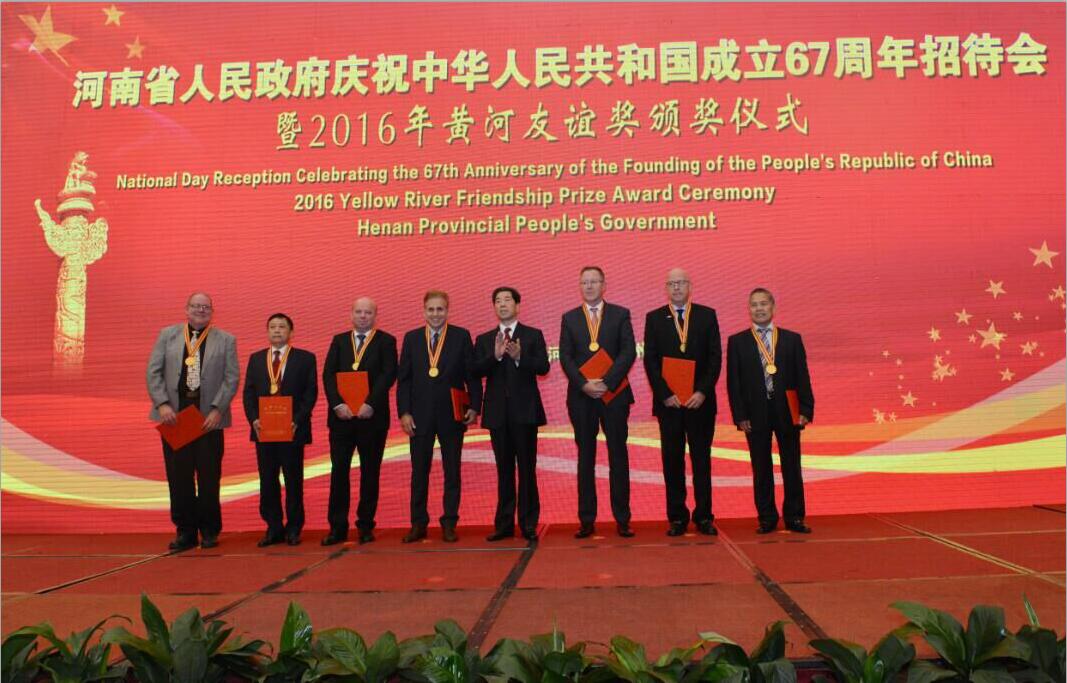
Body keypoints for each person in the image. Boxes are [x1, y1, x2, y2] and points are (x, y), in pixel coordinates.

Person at [146, 292, 238, 550]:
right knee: (179, 478)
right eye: (196, 306)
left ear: (212, 311)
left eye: (206, 307)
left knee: (209, 478)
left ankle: (209, 530)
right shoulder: (167, 335)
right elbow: (153, 371)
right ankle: (185, 531)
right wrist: (162, 404)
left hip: (208, 418)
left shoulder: (226, 340)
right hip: (175, 417)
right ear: (186, 309)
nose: (201, 310)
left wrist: (218, 409)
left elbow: (231, 378)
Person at [726, 288, 814, 534]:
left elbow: (803, 376)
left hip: (788, 410)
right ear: (749, 309)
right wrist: (740, 415)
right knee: (760, 466)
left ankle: (795, 517)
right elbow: (734, 383)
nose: (759, 308)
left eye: (763, 304)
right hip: (755, 413)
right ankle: (766, 517)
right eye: (754, 305)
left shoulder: (791, 339)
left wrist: (806, 408)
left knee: (791, 465)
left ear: (773, 307)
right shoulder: (737, 342)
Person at [396, 291, 481, 543]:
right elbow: (404, 380)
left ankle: (449, 523)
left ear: (447, 311)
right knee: (419, 473)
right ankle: (418, 523)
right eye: (431, 309)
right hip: (419, 416)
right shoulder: (412, 338)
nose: (436, 314)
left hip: (452, 414)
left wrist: (474, 406)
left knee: (452, 471)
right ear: (424, 311)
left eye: (440, 309)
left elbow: (472, 376)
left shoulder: (461, 336)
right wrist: (404, 412)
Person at [642, 268, 722, 537]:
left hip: (700, 403)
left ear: (690, 286)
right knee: (672, 461)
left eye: (681, 283)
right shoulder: (654, 318)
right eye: (671, 284)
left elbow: (715, 358)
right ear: (666, 288)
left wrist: (702, 391)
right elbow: (650, 361)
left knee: (702, 461)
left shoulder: (706, 315)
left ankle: (704, 516)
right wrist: (665, 394)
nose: (676, 287)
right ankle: (677, 517)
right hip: (670, 405)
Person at [558, 266, 637, 538]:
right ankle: (586, 519)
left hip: (614, 395)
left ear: (604, 285)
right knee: (585, 458)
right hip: (582, 397)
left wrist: (606, 382)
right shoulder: (569, 318)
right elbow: (565, 356)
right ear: (580, 286)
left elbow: (628, 351)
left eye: (594, 281)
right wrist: (584, 384)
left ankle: (623, 519)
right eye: (585, 282)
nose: (589, 286)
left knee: (618, 456)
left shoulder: (620, 314)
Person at [472, 287, 550, 542]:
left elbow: (543, 367)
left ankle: (528, 523)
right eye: (498, 301)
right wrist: (495, 356)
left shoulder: (532, 335)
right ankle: (504, 524)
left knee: (527, 469)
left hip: (525, 413)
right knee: (503, 470)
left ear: (517, 305)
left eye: (507, 300)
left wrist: (520, 357)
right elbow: (475, 370)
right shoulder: (485, 339)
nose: (502, 304)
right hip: (497, 414)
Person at [321, 297, 397, 545]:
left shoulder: (386, 341)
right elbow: (328, 375)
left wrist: (370, 403)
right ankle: (337, 527)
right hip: (341, 419)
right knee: (339, 472)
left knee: (370, 473)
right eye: (359, 312)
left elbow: (389, 374)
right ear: (351, 314)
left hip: (372, 418)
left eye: (368, 312)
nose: (363, 316)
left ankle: (365, 525)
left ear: (375, 315)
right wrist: (337, 404)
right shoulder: (339, 341)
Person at [242, 313, 317, 547]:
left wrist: (297, 420)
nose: (277, 330)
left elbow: (310, 394)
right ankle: (273, 527)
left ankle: (294, 528)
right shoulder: (256, 359)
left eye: (282, 327)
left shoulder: (305, 358)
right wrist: (254, 419)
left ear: (291, 332)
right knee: (268, 480)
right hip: (264, 431)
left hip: (293, 430)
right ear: (267, 332)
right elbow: (248, 393)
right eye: (272, 327)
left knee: (294, 481)